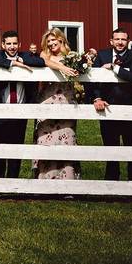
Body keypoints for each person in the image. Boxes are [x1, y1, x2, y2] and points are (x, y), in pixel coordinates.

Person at [0, 30, 45, 178]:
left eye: (15, 43)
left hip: (19, 110)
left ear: (20, 44)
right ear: (3, 45)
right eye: (8, 44)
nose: (12, 47)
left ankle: (13, 182)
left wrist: (22, 61)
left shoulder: (26, 56)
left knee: (16, 148)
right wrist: (14, 63)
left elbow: (40, 61)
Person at [86, 28, 132, 181]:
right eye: (117, 39)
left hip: (129, 107)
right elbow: (93, 80)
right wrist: (97, 98)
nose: (120, 42)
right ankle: (112, 181)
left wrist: (114, 66)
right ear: (111, 41)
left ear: (128, 41)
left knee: (131, 144)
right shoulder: (102, 55)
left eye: (123, 39)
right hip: (107, 107)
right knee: (110, 145)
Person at [36, 27, 82, 180]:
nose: (50, 44)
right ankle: (46, 182)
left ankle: (67, 180)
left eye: (53, 40)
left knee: (66, 137)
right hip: (47, 100)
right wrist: (63, 67)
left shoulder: (71, 56)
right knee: (46, 139)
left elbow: (81, 69)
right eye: (48, 41)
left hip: (66, 100)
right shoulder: (44, 55)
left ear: (60, 39)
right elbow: (47, 62)